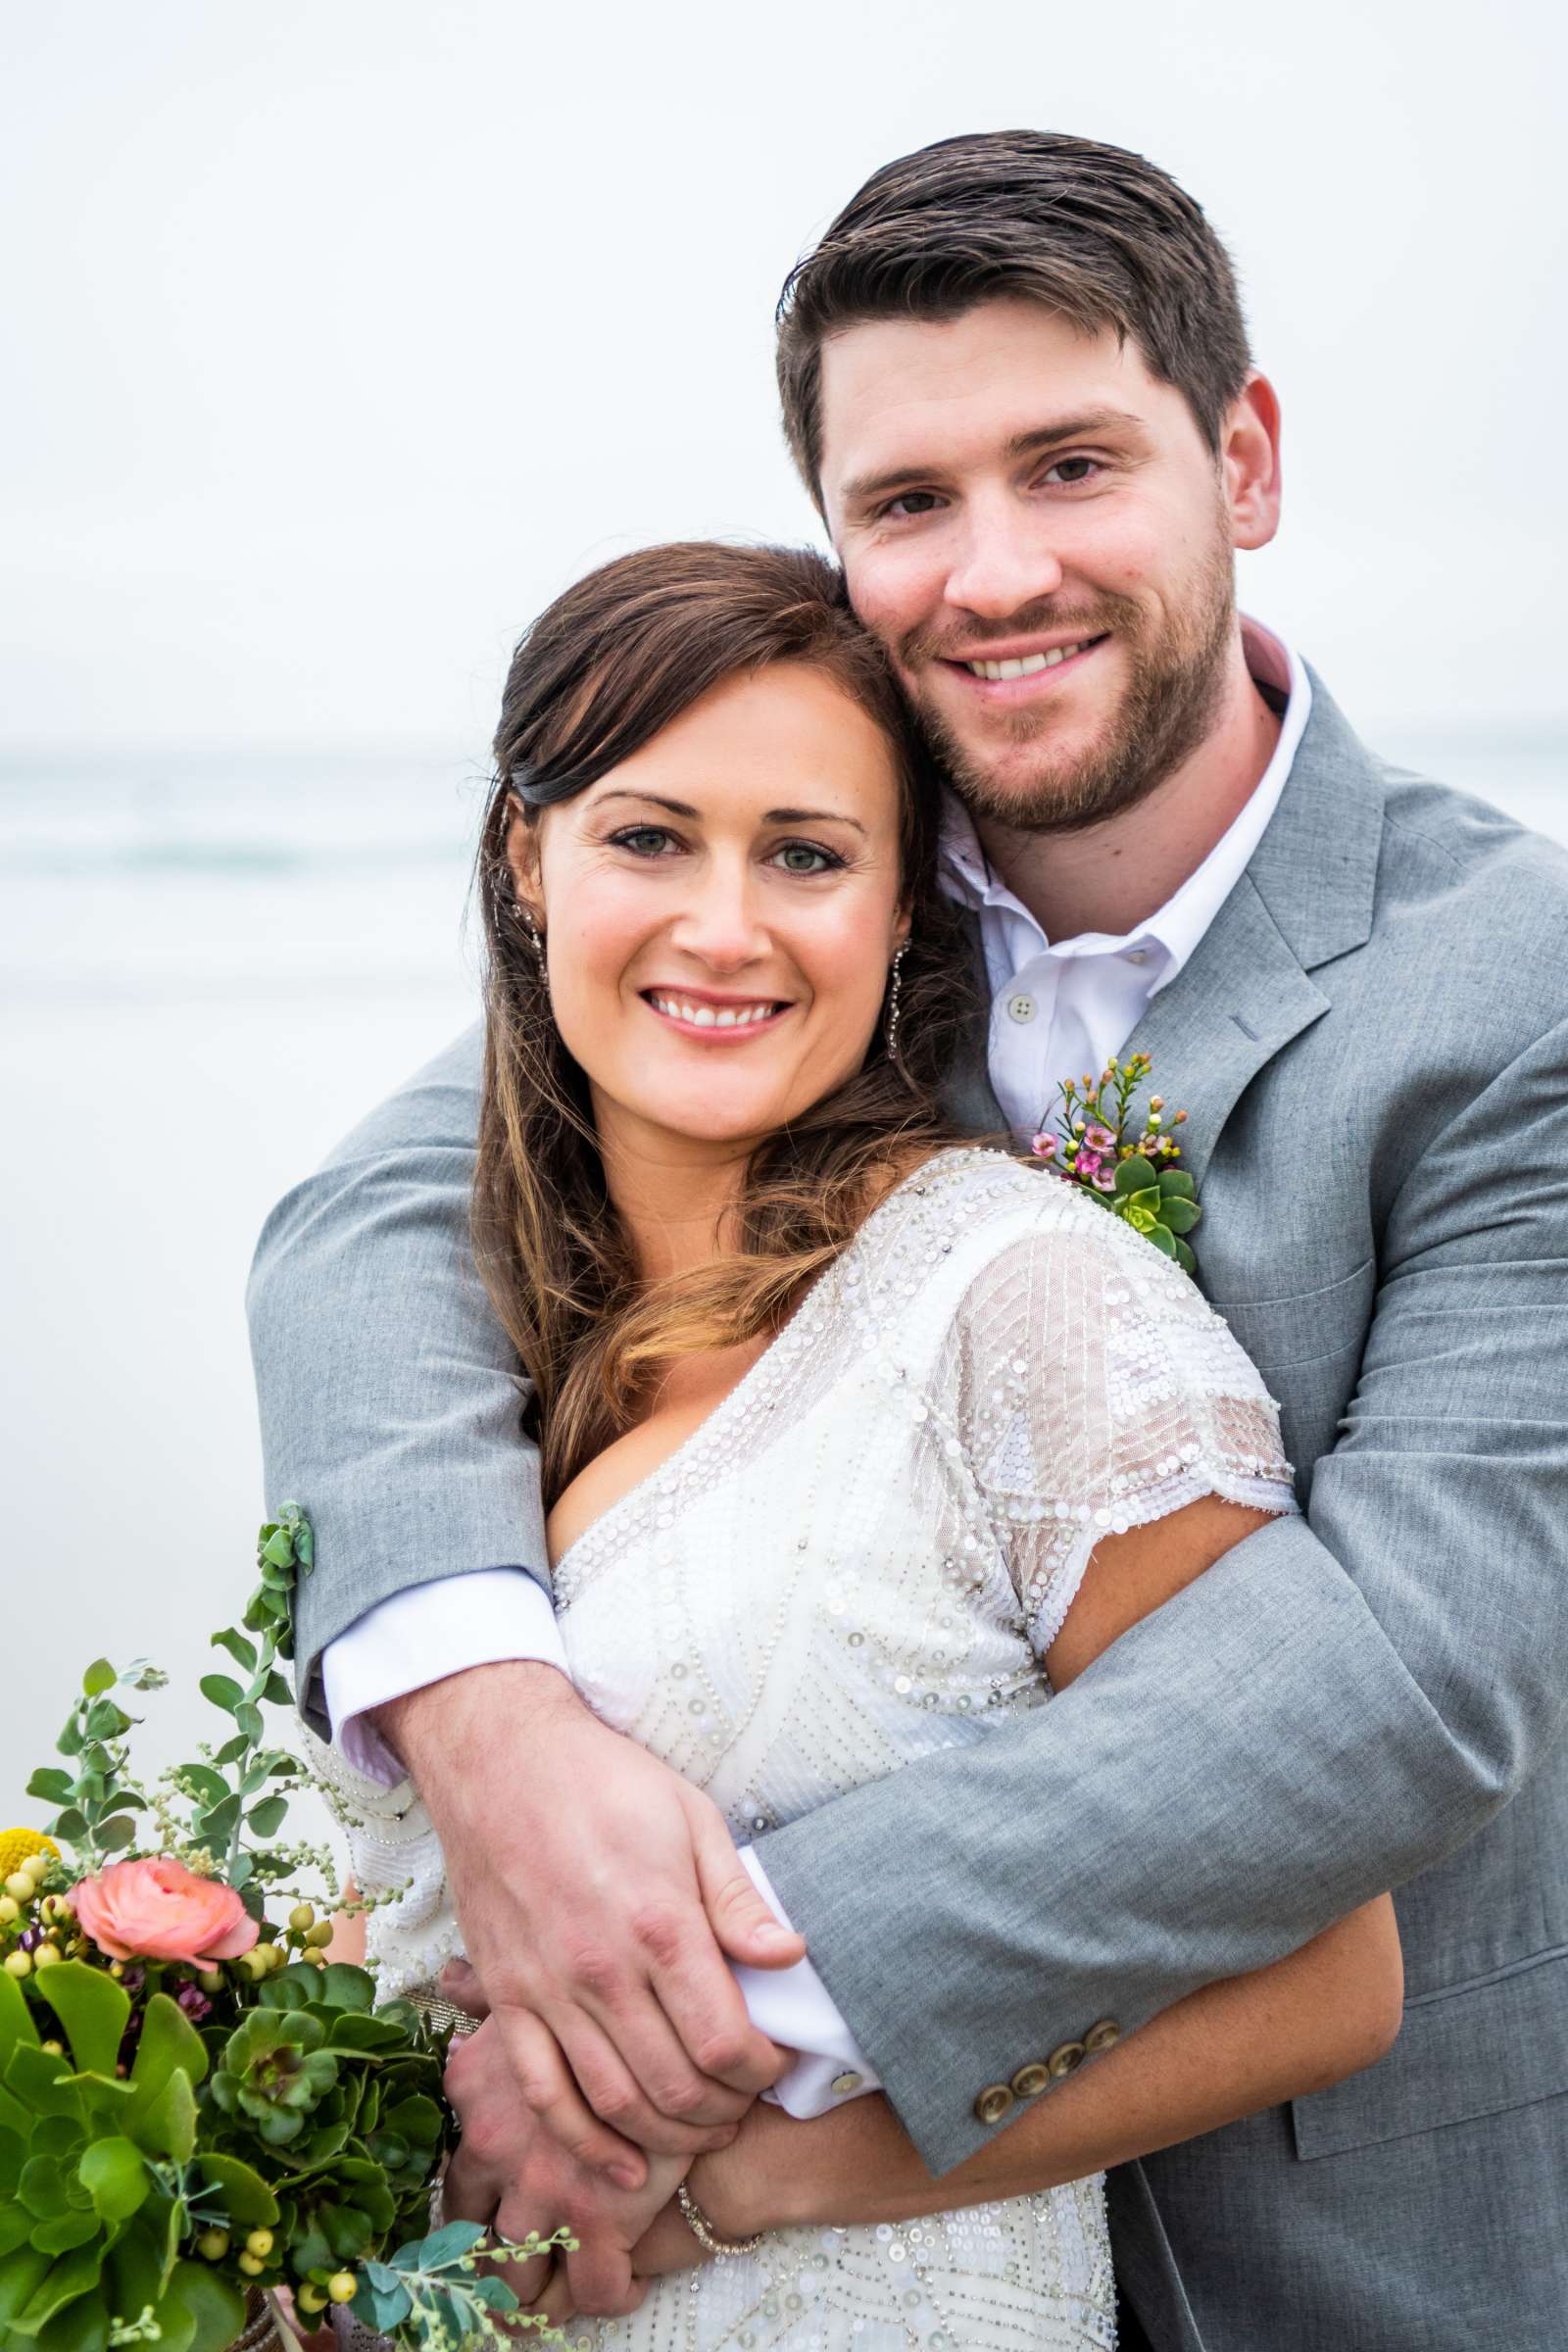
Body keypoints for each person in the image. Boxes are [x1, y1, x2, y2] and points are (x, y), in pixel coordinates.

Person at [251, 132, 1568, 2350]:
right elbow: (378, 1211)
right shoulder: (823, 892)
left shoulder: (1509, 985)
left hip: (1347, 2254)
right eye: (904, 502)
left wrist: (683, 1991)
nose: (991, 574)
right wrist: (483, 1724)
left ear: (1238, 460)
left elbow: (1413, 1683)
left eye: (1070, 465)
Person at [306, 536, 1399, 2351]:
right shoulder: (478, 1358)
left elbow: (1325, 1973)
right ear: (527, 858)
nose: (722, 925)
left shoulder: (1015, 1307)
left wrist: (737, 2184)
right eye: (649, 837)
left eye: (804, 854)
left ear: (905, 909)